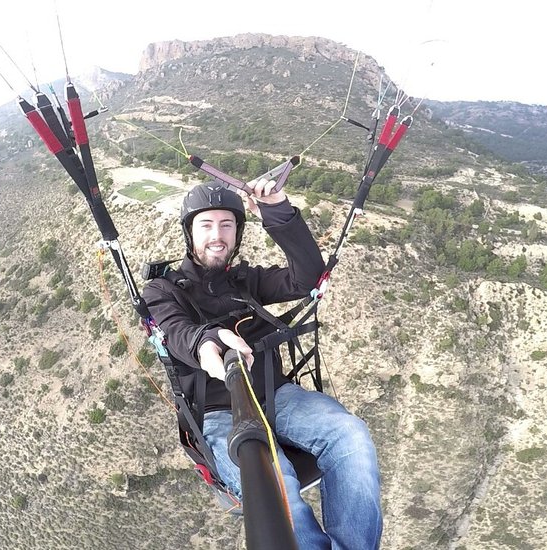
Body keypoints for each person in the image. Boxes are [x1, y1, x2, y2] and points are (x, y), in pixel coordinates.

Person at [143, 179, 382, 549]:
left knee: (349, 434)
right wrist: (207, 343)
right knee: (275, 480)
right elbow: (176, 330)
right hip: (220, 412)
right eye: (206, 225)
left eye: (227, 225)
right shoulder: (164, 290)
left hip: (275, 394)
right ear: (189, 233)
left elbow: (305, 279)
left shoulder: (246, 280)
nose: (217, 235)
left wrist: (278, 212)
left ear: (237, 234)